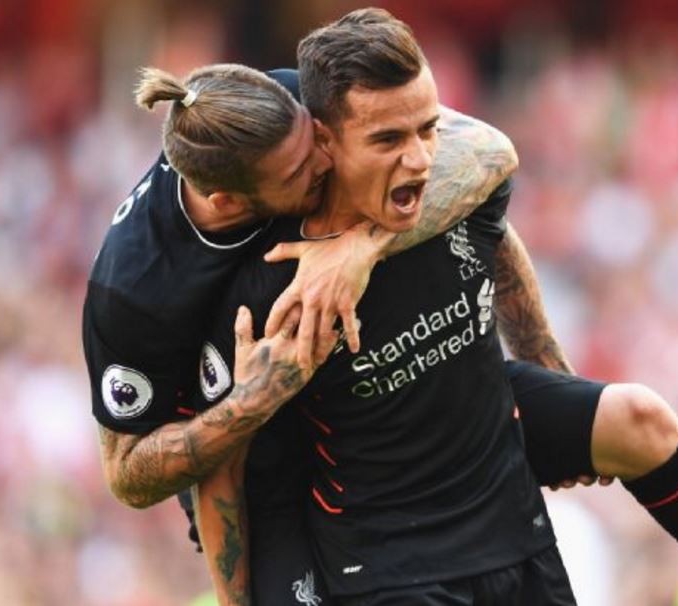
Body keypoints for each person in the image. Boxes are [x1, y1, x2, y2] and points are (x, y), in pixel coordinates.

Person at [191, 9, 678, 606]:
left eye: (426, 129)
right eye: (387, 139)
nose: (418, 158)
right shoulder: (269, 279)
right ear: (321, 143)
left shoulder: (457, 193)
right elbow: (226, 466)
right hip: (391, 569)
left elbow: (501, 245)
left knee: (638, 416)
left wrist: (551, 377)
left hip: (508, 525)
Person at [84, 57, 520, 517]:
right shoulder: (133, 292)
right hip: (261, 488)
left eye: (315, 137)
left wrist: (358, 249)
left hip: (377, 427)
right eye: (297, 172)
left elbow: (483, 157)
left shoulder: (283, 104)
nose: (326, 159)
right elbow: (126, 475)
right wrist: (251, 403)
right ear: (228, 202)